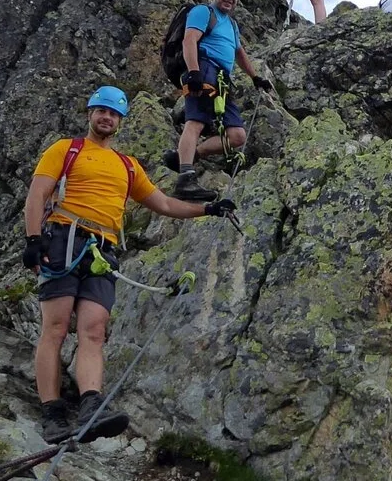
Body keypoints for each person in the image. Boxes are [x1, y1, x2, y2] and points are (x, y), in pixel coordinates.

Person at [23, 85, 237, 444]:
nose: (107, 118)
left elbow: (165, 205)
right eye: (101, 112)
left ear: (120, 121)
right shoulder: (66, 149)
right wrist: (32, 240)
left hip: (102, 249)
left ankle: (91, 403)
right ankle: (53, 413)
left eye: (114, 114)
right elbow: (38, 193)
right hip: (63, 239)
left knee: (93, 330)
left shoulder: (127, 166)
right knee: (56, 328)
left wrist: (208, 209)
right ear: (90, 114)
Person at [163, 0, 272, 200]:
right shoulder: (203, 12)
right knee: (196, 122)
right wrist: (193, 72)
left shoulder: (232, 25)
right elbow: (189, 39)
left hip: (223, 78)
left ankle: (191, 155)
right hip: (203, 68)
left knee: (237, 136)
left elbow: (239, 53)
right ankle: (185, 178)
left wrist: (255, 78)